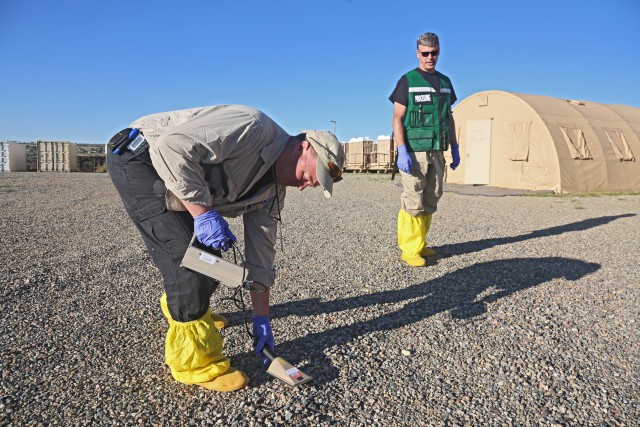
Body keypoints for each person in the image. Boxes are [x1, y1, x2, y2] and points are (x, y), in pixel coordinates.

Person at [106, 105, 344, 392]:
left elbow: (261, 257)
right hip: (141, 158)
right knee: (189, 262)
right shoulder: (252, 127)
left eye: (313, 184)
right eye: (310, 175)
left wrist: (261, 319)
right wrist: (203, 213)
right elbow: (172, 146)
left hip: (176, 174)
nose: (305, 186)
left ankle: (188, 308)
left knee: (213, 263)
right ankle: (195, 365)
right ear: (304, 148)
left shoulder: (272, 194)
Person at [389, 32, 460, 267]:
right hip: (414, 151)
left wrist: (455, 146)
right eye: (426, 53)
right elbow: (397, 118)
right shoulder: (407, 81)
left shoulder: (446, 83)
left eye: (435, 52)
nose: (431, 57)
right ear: (418, 53)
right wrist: (401, 150)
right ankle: (409, 249)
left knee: (433, 195)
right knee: (413, 197)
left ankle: (420, 243)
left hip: (438, 149)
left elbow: (448, 117)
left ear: (439, 51)